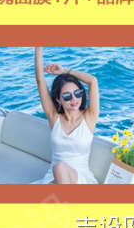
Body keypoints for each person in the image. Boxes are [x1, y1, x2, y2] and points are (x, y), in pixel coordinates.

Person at [34, 48, 100, 185]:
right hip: (54, 178)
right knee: (58, 169)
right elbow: (40, 79)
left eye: (77, 93)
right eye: (67, 96)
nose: (74, 99)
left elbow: (92, 81)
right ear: (58, 99)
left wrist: (64, 71)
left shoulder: (89, 117)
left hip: (81, 178)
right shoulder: (54, 118)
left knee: (59, 167)